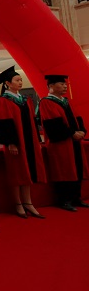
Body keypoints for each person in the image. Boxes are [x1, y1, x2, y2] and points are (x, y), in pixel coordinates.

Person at [0, 66, 47, 219]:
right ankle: (18, 203)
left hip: (29, 141)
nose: (20, 82)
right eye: (17, 80)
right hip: (15, 144)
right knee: (17, 173)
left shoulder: (25, 100)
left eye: (21, 80)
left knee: (28, 171)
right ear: (7, 83)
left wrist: (37, 140)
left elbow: (32, 121)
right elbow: (3, 123)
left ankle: (28, 202)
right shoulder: (2, 101)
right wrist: (11, 143)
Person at [38, 74, 89, 212]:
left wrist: (82, 131)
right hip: (60, 144)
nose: (65, 86)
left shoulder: (66, 101)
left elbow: (77, 118)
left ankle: (76, 198)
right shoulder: (46, 102)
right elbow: (53, 124)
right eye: (61, 84)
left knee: (77, 168)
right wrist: (72, 133)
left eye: (65, 84)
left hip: (74, 142)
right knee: (64, 171)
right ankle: (64, 200)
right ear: (51, 86)